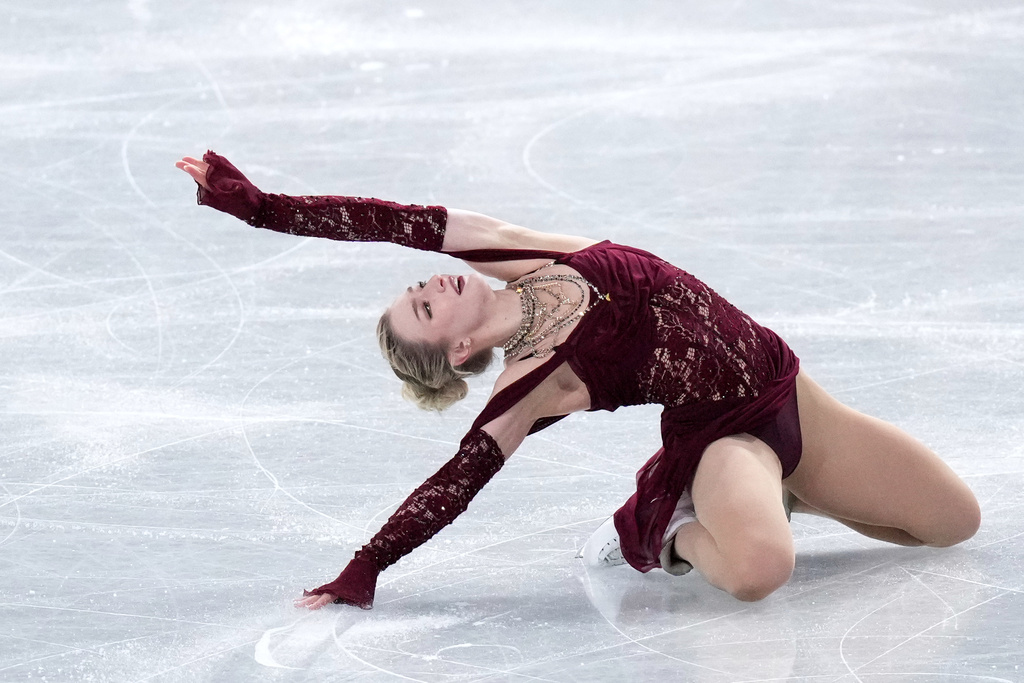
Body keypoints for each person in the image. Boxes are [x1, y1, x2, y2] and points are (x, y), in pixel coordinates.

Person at [176, 151, 981, 611]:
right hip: (725, 438)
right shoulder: (531, 384)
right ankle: (656, 532)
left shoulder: (512, 251)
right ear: (455, 353)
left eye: (421, 285)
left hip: (790, 387)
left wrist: (262, 207)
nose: (431, 284)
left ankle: (789, 494)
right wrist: (367, 565)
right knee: (762, 571)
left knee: (952, 523)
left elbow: (386, 220)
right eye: (424, 307)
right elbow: (452, 484)